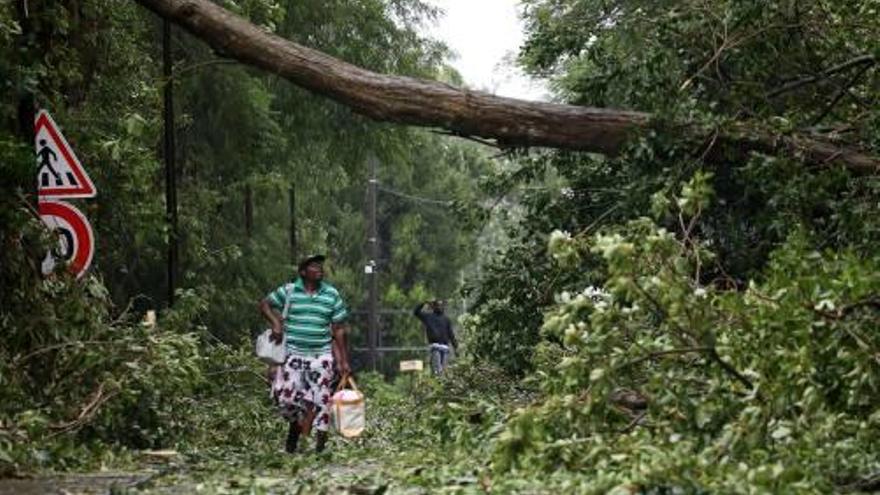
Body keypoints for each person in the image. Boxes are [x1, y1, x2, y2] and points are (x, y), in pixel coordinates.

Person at [259, 254, 351, 454]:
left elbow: (338, 329)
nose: (319, 268)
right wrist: (275, 323)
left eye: (320, 266)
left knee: (322, 400)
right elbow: (265, 304)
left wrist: (343, 360)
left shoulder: (331, 294)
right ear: (303, 272)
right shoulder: (290, 291)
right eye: (314, 266)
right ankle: (296, 430)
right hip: (293, 355)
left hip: (321, 356)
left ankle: (319, 447)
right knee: (286, 399)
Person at [413, 300, 458, 375]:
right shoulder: (428, 317)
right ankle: (438, 380)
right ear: (433, 307)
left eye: (441, 305)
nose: (439, 307)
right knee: (437, 370)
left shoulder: (446, 319)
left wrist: (455, 347)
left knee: (444, 371)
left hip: (445, 347)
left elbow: (451, 334)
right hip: (435, 346)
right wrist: (423, 303)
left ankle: (442, 383)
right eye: (437, 305)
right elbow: (416, 312)